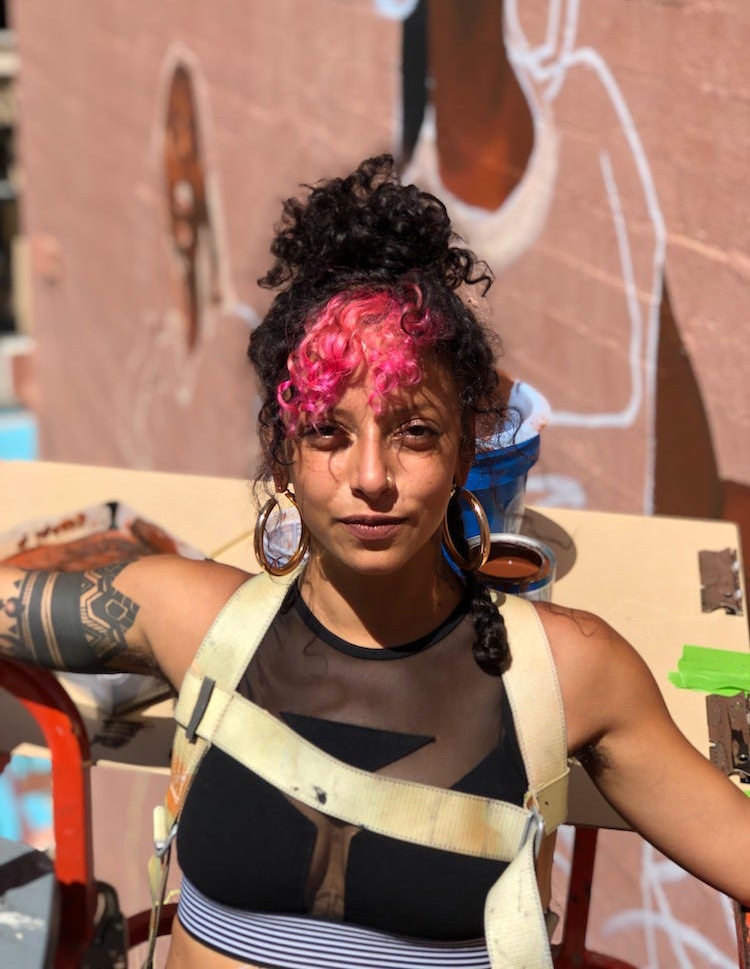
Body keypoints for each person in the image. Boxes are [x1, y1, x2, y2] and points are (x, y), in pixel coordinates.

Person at [1, 156, 748, 969]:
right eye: (328, 431)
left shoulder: (566, 671)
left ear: (466, 451)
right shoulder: (193, 621)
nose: (370, 478)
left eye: (414, 432)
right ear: (281, 455)